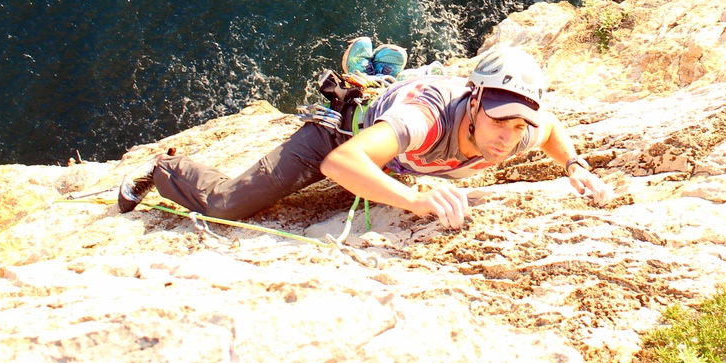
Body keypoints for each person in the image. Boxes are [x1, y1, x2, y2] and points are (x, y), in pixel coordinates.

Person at [116, 45, 613, 229]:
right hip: (334, 141)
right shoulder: (428, 120)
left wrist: (575, 167)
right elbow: (341, 166)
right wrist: (416, 200)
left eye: (517, 124)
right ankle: (163, 168)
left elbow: (552, 131)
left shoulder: (520, 127)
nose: (507, 137)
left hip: (394, 150)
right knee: (228, 205)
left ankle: (375, 76)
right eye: (499, 119)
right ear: (475, 99)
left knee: (391, 143)